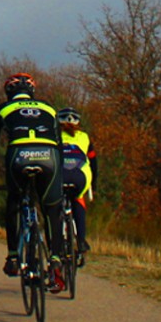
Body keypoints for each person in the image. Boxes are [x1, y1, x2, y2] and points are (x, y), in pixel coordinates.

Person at [0, 72, 68, 294]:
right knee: (51, 209)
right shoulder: (48, 108)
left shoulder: (2, 109)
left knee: (14, 201)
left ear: (9, 93)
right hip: (49, 156)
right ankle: (56, 263)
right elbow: (59, 146)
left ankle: (12, 256)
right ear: (32, 92)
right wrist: (60, 180)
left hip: (19, 155)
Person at [58, 107, 97, 261]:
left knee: (54, 204)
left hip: (60, 176)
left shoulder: (53, 136)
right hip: (80, 176)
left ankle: (54, 244)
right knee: (78, 199)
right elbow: (93, 163)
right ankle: (81, 241)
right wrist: (93, 185)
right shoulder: (84, 137)